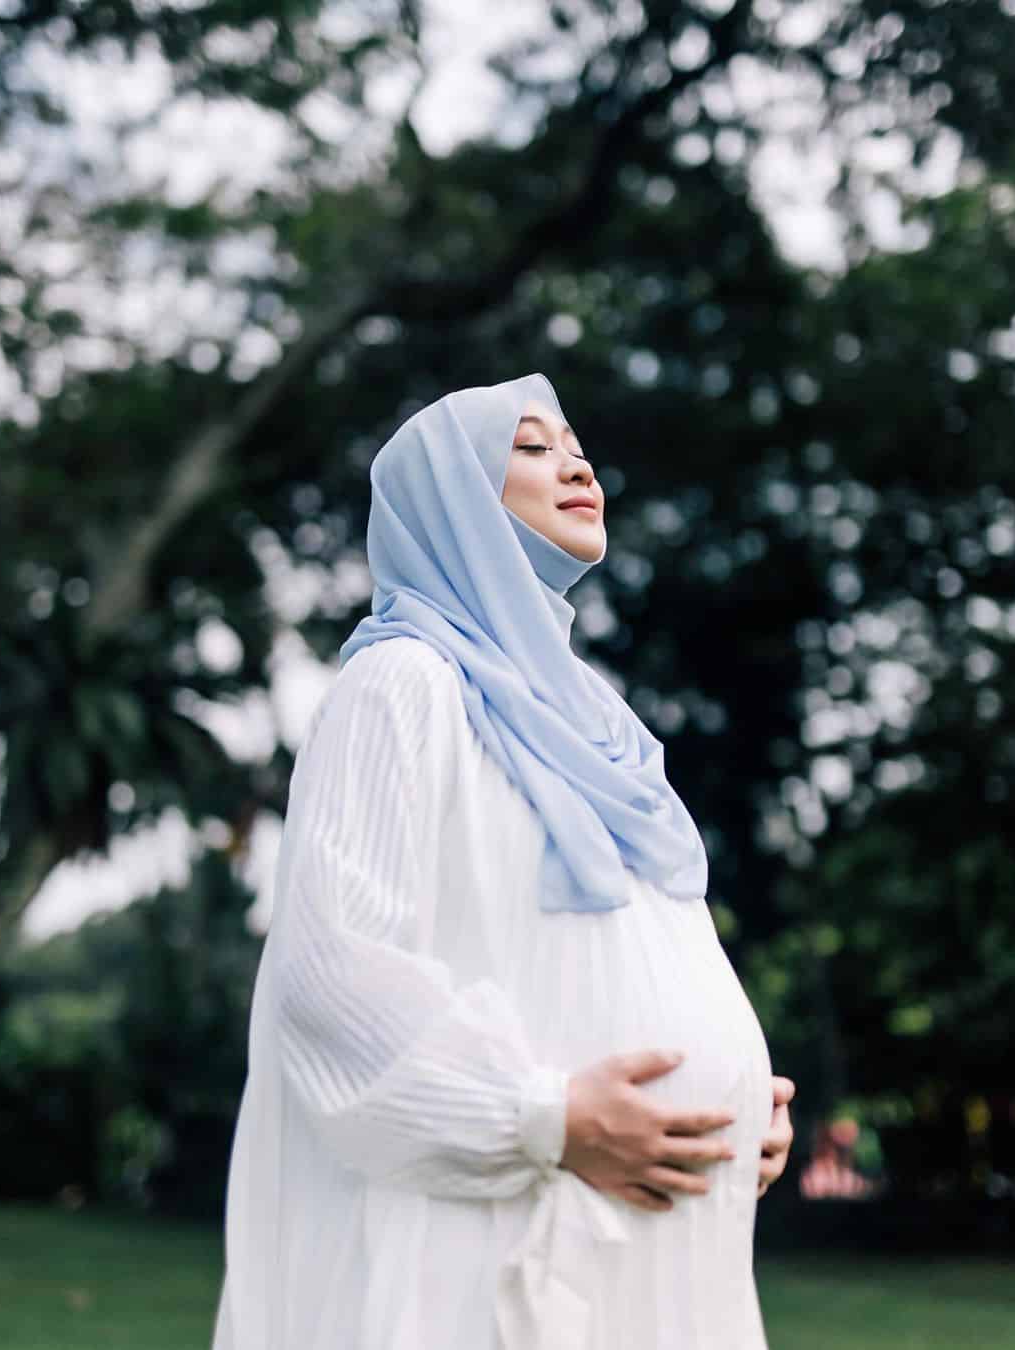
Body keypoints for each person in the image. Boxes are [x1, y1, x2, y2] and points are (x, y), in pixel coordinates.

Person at [211, 372, 795, 1350]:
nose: (574, 461)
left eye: (573, 442)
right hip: (491, 1239)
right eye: (528, 446)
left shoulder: (598, 722)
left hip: (649, 1233)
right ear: (450, 503)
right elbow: (332, 972)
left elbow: (622, 952)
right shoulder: (403, 684)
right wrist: (542, 1117)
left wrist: (733, 1106)